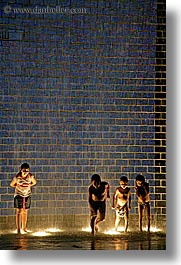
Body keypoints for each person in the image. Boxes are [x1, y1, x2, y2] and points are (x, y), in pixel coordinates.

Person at [10, 163, 37, 234]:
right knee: (19, 211)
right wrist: (18, 185)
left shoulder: (31, 176)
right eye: (24, 171)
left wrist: (29, 185)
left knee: (25, 211)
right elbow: (12, 184)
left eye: (27, 171)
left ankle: (24, 228)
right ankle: (18, 229)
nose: (25, 172)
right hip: (18, 195)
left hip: (27, 195)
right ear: (21, 170)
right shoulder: (17, 178)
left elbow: (34, 182)